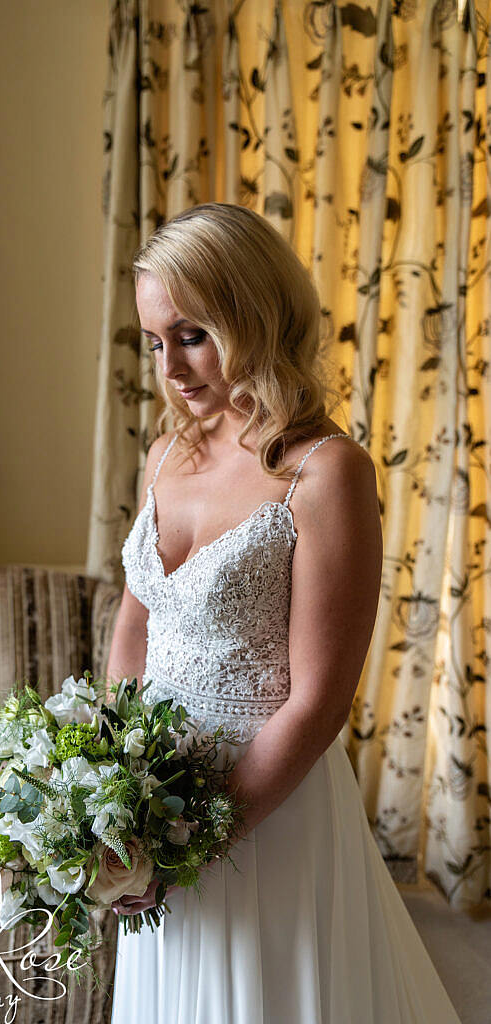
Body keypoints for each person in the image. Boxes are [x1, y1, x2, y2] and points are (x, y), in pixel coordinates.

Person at [104, 203, 462, 1023]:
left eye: (192, 334)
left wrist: (196, 842)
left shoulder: (327, 471)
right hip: (152, 805)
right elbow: (136, 625)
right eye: (154, 343)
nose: (172, 370)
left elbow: (321, 701)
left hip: (268, 810)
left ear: (255, 315)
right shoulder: (166, 454)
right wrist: (114, 782)